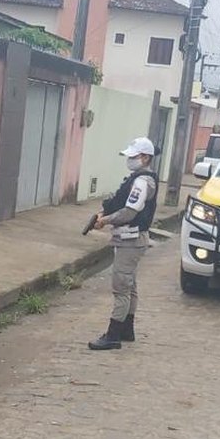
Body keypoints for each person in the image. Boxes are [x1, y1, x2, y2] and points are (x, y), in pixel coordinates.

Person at [88, 137, 159, 351]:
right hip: (131, 239)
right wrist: (105, 212)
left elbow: (130, 211)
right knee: (130, 285)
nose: (129, 160)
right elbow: (120, 203)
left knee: (121, 287)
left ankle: (113, 335)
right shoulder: (138, 179)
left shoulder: (142, 181)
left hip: (131, 239)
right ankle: (127, 329)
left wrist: (104, 221)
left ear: (145, 157)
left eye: (133, 156)